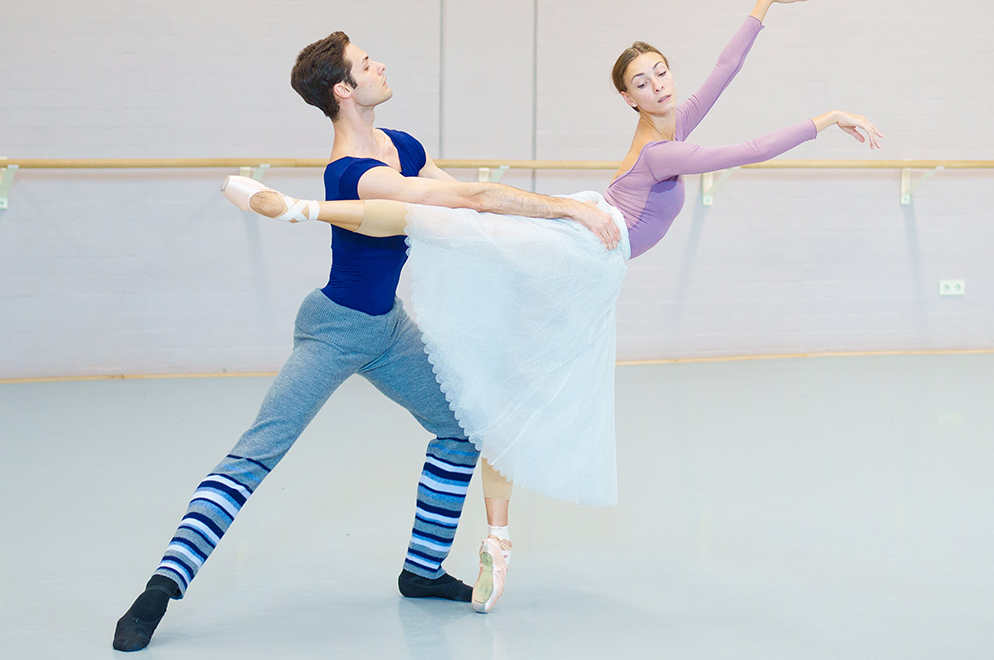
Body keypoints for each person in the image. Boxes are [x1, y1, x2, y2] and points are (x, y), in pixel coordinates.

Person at [218, 0, 883, 615]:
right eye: (641, 81)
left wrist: (762, 3)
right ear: (626, 98)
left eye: (661, 73)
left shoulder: (673, 123)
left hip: (586, 243)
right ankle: (311, 209)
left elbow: (724, 69)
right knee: (469, 236)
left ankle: (493, 537)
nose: (658, 85)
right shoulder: (657, 153)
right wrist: (820, 119)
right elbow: (749, 148)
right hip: (584, 248)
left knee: (479, 274)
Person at [111, 32, 621, 652]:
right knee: (257, 452)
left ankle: (422, 571)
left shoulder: (401, 146)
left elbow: (473, 209)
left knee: (463, 429)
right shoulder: (353, 174)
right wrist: (570, 209)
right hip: (334, 328)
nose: (381, 63)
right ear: (343, 90)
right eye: (365, 63)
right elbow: (470, 196)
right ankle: (161, 589)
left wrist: (553, 234)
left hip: (388, 328)